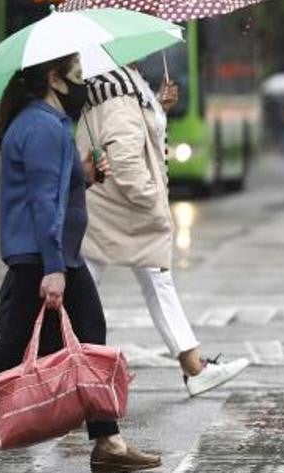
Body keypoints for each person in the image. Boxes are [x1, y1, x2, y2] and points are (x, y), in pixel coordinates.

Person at [0, 54, 161, 473]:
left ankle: (108, 440)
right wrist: (53, 269)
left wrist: (82, 174)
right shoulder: (43, 127)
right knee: (13, 349)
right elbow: (44, 204)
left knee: (89, 335)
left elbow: (50, 187)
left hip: (55, 254)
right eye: (79, 77)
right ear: (55, 79)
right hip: (44, 257)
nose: (84, 85)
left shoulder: (41, 124)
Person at [78, 64, 250, 396]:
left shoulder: (120, 83)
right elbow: (126, 161)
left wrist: (157, 105)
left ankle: (193, 367)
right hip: (123, 211)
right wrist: (154, 201)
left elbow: (132, 133)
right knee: (92, 290)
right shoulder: (117, 90)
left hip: (109, 209)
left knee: (135, 283)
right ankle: (69, 376)